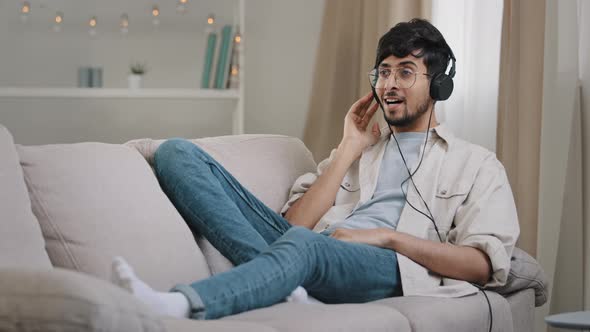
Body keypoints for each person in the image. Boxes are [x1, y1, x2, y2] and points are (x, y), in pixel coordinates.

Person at [111, 18, 520, 320]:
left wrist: (386, 238)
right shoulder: (359, 152)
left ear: (438, 87)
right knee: (175, 154)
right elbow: (296, 226)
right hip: (311, 248)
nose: (389, 84)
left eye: (406, 72)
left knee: (305, 248)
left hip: (388, 265)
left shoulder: (476, 164)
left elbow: (483, 264)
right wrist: (347, 150)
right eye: (384, 72)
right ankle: (286, 286)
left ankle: (176, 305)